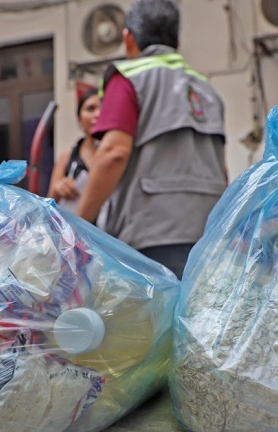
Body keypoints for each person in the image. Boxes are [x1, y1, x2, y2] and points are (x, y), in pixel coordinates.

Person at [75, 0, 227, 279]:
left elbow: (113, 153)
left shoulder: (130, 78)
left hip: (151, 234)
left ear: (128, 38)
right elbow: (220, 166)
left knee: (154, 321)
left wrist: (77, 225)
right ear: (177, 42)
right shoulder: (206, 88)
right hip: (210, 233)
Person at [48, 88, 101, 215]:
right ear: (79, 118)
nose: (97, 114)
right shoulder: (67, 156)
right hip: (76, 231)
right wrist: (59, 188)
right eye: (90, 109)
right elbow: (49, 203)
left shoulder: (117, 153)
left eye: (103, 108)